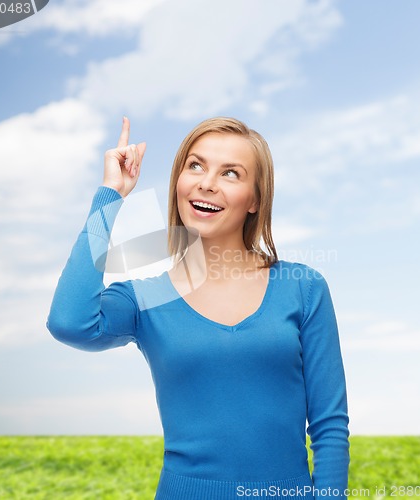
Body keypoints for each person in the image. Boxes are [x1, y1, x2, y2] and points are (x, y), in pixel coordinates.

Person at [47, 116, 350, 499]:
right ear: (178, 181)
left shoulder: (303, 288)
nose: (207, 182)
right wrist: (111, 195)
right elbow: (69, 322)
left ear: (255, 199)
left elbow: (329, 426)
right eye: (196, 165)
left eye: (231, 173)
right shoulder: (145, 299)